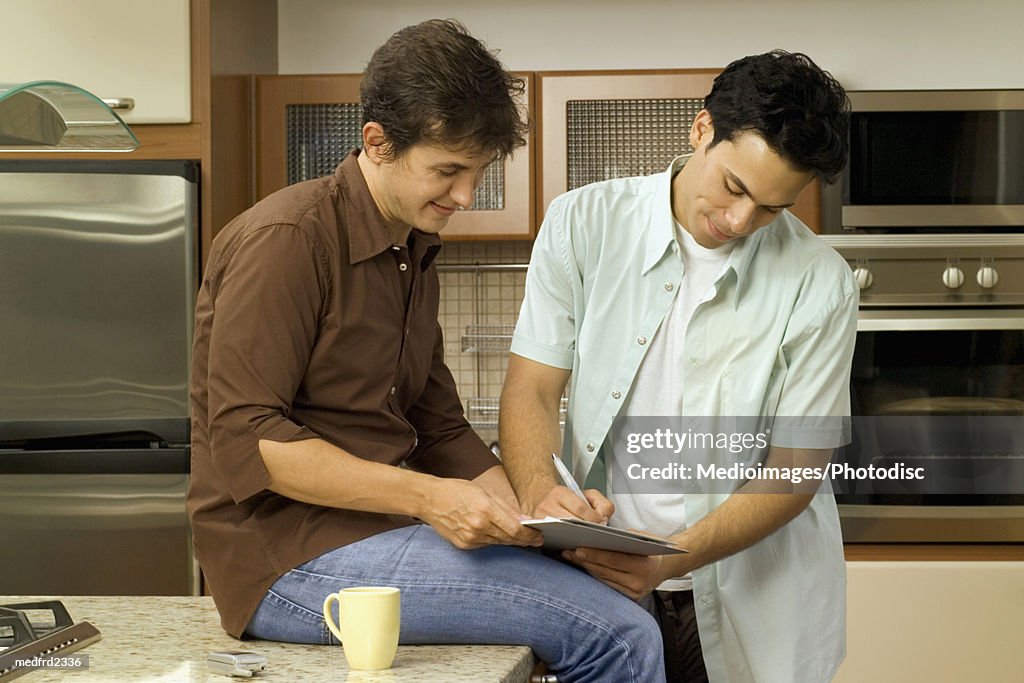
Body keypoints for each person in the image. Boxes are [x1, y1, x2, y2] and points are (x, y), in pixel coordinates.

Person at [187, 19, 665, 682]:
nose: (466, 196)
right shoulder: (287, 239)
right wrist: (429, 498)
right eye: (447, 171)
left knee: (614, 591)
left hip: (377, 534)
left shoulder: (411, 250)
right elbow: (248, 438)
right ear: (376, 142)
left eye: (477, 172)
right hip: (286, 562)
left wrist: (533, 511)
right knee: (621, 635)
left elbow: (438, 426)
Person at [500, 50, 856, 683]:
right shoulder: (582, 224)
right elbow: (532, 386)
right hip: (602, 584)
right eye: (735, 188)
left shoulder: (821, 282)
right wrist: (538, 495)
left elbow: (798, 469)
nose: (740, 221)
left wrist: (669, 560)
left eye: (773, 209)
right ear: (700, 130)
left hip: (760, 601)